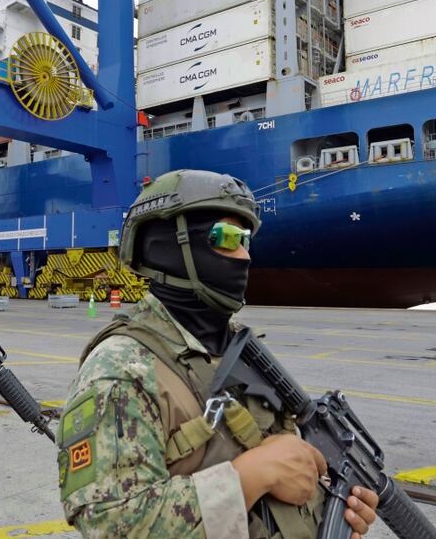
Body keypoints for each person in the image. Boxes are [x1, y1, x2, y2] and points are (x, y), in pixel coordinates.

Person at [59, 170, 380, 538]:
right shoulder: (122, 368)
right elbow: (112, 523)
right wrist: (254, 474)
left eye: (245, 240)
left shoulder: (243, 352)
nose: (244, 256)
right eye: (225, 238)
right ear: (165, 247)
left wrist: (330, 510)